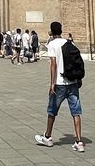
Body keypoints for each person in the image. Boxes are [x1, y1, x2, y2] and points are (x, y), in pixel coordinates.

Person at [35, 21, 85, 153]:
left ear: (51, 31)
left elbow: (53, 64)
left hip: (59, 83)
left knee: (52, 111)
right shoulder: (69, 43)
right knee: (76, 112)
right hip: (72, 82)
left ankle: (47, 137)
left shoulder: (52, 44)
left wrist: (52, 83)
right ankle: (79, 141)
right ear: (61, 30)